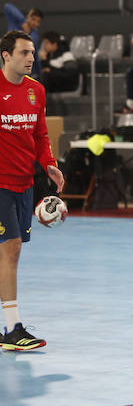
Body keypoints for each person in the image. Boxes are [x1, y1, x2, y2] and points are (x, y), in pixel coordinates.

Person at [0, 30, 65, 351]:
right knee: (10, 248)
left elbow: (39, 133)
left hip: (24, 183)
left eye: (33, 52)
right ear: (6, 56)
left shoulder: (35, 90)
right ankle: (12, 329)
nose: (31, 58)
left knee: (11, 251)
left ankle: (9, 327)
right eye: (24, 52)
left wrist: (49, 163)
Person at [4, 5, 43, 79]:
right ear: (28, 16)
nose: (35, 23)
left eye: (38, 21)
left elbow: (35, 55)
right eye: (33, 19)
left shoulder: (35, 35)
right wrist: (22, 21)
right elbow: (7, 6)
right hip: (6, 56)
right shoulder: (15, 22)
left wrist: (39, 73)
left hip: (19, 65)